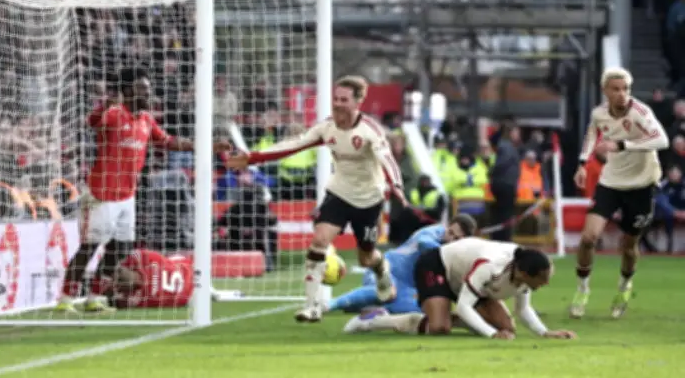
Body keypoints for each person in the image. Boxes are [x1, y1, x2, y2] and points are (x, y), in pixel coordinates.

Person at [228, 75, 407, 323]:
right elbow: (293, 145)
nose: (338, 103)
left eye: (344, 99)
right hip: (339, 193)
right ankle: (311, 306)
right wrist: (253, 157)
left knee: (366, 257)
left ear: (358, 102)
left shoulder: (370, 130)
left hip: (368, 199)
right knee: (319, 241)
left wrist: (396, 185)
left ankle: (382, 270)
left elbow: (387, 160)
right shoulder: (327, 127)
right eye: (335, 98)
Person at [56, 68, 231, 313]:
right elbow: (93, 122)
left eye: (149, 90)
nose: (149, 94)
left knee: (119, 248)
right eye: (143, 90)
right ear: (128, 91)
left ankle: (94, 297)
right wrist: (106, 104)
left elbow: (169, 142)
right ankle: (64, 299)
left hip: (128, 196)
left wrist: (206, 146)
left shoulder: (146, 119)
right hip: (101, 194)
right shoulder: (115, 114)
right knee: (90, 246)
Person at [571, 67, 669, 319]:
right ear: (605, 91)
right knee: (588, 238)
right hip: (611, 182)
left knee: (628, 246)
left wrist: (624, 144)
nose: (622, 94)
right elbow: (592, 134)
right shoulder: (599, 114)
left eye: (625, 89)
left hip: (642, 184)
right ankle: (582, 289)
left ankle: (624, 287)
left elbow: (662, 141)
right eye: (616, 89)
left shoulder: (641, 112)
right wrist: (582, 162)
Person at [344, 237, 576, 340]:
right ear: (526, 273)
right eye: (543, 278)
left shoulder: (524, 274)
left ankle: (453, 317)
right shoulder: (490, 266)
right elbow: (465, 305)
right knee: (439, 327)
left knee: (508, 328)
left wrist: (545, 332)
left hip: (471, 283)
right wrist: (491, 333)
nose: (546, 283)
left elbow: (523, 310)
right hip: (439, 266)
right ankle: (373, 320)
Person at [327, 214, 477, 315]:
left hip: (406, 287)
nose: (450, 238)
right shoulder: (435, 232)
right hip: (385, 269)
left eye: (456, 238)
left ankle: (367, 307)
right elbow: (423, 243)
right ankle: (329, 305)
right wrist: (447, 250)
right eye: (450, 232)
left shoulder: (458, 253)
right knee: (388, 292)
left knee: (427, 311)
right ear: (447, 226)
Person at [91, 249, 195, 309]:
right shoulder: (136, 298)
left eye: (119, 276)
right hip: (188, 293)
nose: (116, 281)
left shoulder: (142, 258)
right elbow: (115, 303)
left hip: (187, 271)